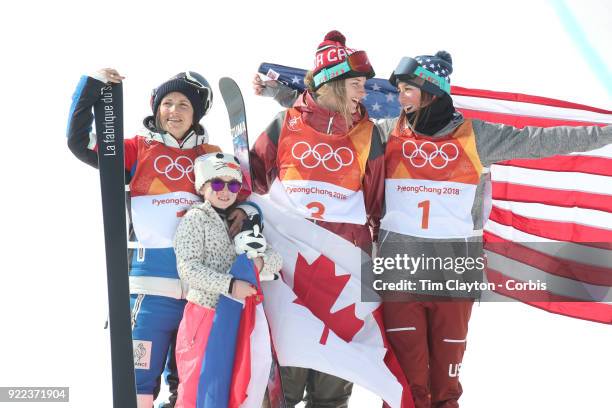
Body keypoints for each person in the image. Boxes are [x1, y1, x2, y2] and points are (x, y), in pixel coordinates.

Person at [255, 50, 612, 408]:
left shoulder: (476, 136)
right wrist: (284, 96)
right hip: (400, 272)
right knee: (406, 387)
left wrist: (606, 132)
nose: (398, 97)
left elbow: (541, 141)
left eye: (407, 89)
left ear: (431, 91)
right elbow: (330, 126)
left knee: (445, 390)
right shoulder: (384, 134)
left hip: (453, 273)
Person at [67, 69, 257, 408]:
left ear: (196, 113)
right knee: (136, 387)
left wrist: (247, 219)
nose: (174, 110)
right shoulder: (138, 150)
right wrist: (91, 87)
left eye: (184, 104)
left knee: (187, 386)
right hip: (149, 292)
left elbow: (241, 201)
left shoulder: (212, 156)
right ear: (156, 109)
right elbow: (79, 142)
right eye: (167, 103)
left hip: (201, 293)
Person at [248, 30, 385, 408]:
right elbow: (251, 181)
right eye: (356, 84)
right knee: (283, 382)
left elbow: (378, 204)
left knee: (334, 382)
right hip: (289, 268)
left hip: (346, 270)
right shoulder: (285, 124)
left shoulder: (369, 134)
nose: (363, 91)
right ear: (332, 84)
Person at [173, 152, 282, 408]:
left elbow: (276, 258)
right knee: (196, 387)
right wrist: (230, 285)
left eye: (232, 184)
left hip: (239, 316)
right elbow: (187, 269)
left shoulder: (241, 222)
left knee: (233, 385)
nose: (225, 191)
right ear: (203, 186)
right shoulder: (195, 218)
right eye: (217, 184)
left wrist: (259, 263)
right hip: (205, 313)